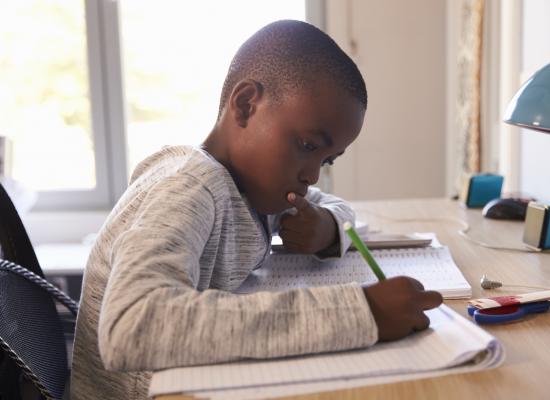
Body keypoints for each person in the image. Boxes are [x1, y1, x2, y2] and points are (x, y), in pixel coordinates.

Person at [71, 19, 442, 400]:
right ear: (246, 105)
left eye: (327, 160)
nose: (313, 175)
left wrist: (328, 228)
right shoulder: (190, 187)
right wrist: (361, 313)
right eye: (308, 145)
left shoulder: (255, 187)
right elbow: (133, 324)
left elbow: (336, 206)